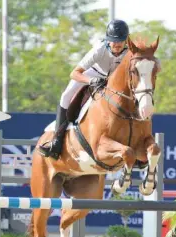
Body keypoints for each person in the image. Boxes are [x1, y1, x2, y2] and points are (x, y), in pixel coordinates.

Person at [39, 19, 130, 160]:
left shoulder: (130, 52)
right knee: (65, 96)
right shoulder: (99, 50)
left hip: (113, 81)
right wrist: (91, 80)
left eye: (120, 41)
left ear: (126, 40)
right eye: (113, 40)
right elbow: (74, 73)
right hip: (91, 74)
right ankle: (57, 140)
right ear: (108, 39)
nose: (116, 44)